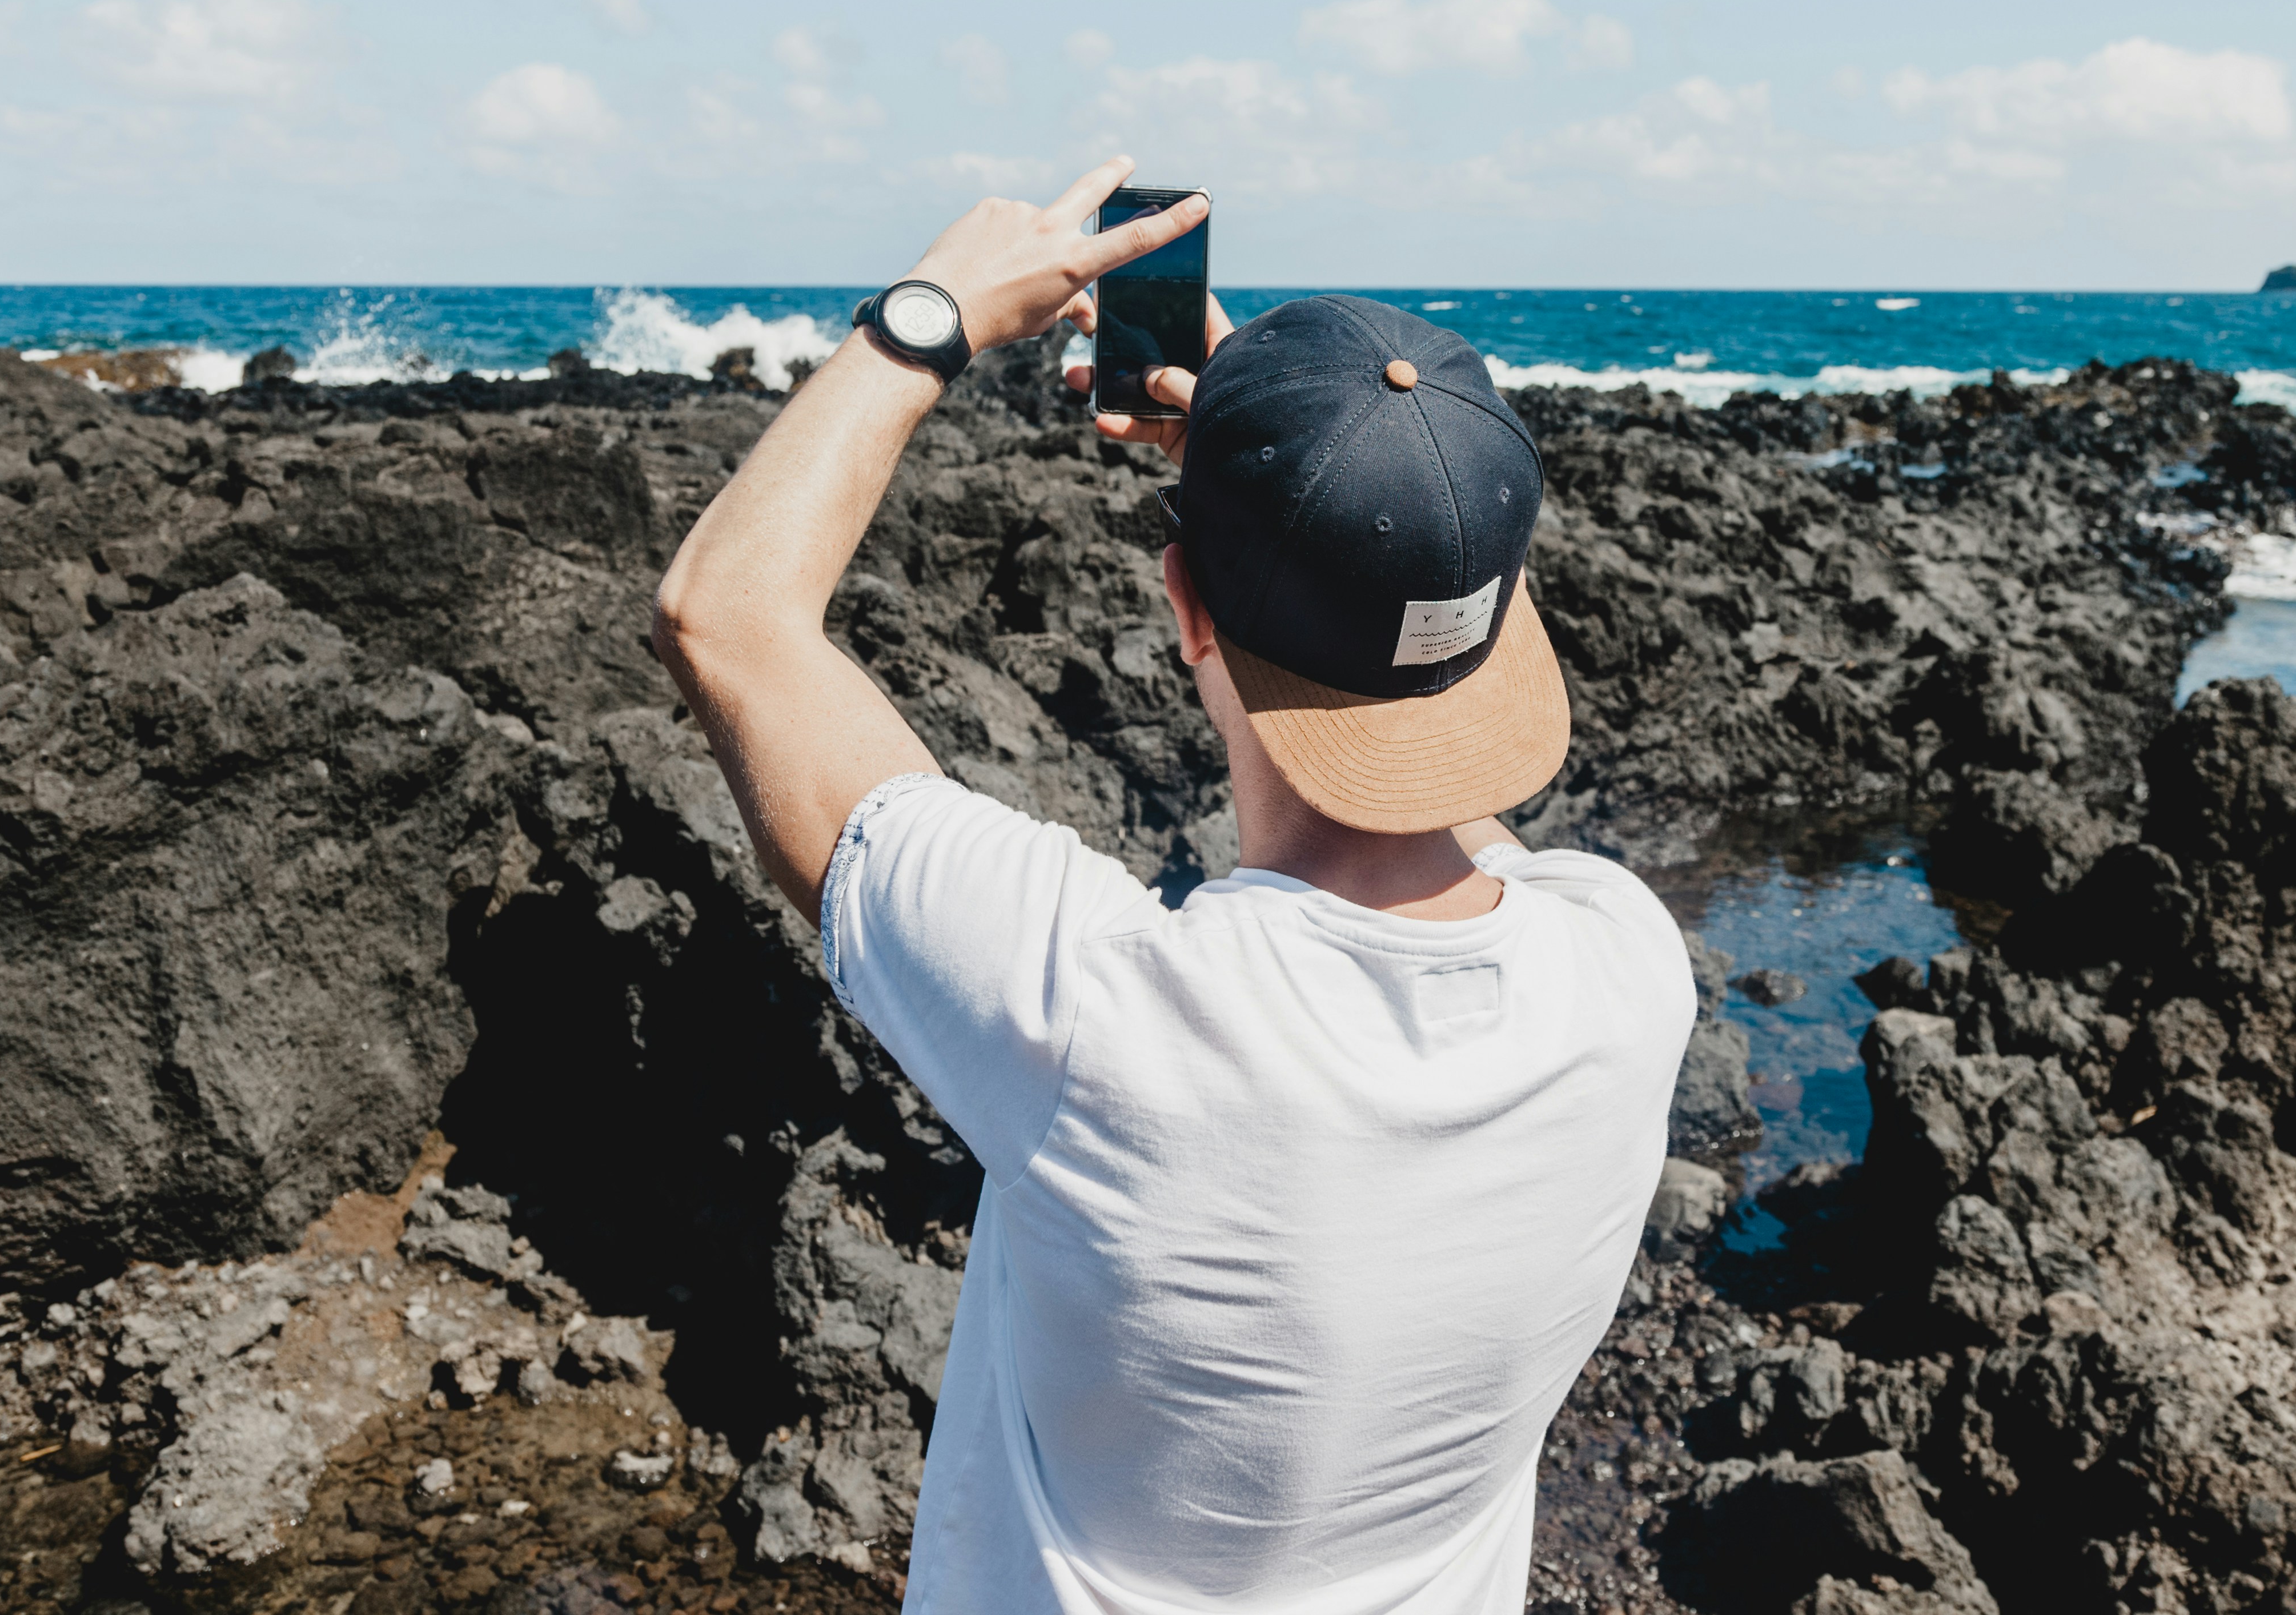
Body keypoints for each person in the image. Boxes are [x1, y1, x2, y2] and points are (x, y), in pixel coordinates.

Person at [653, 155, 1696, 1613]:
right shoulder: (1631, 966)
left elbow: (727, 617)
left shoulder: (1105, 1020)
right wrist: (1312, 473)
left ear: (1184, 607)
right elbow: (1462, 761)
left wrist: (925, 319)